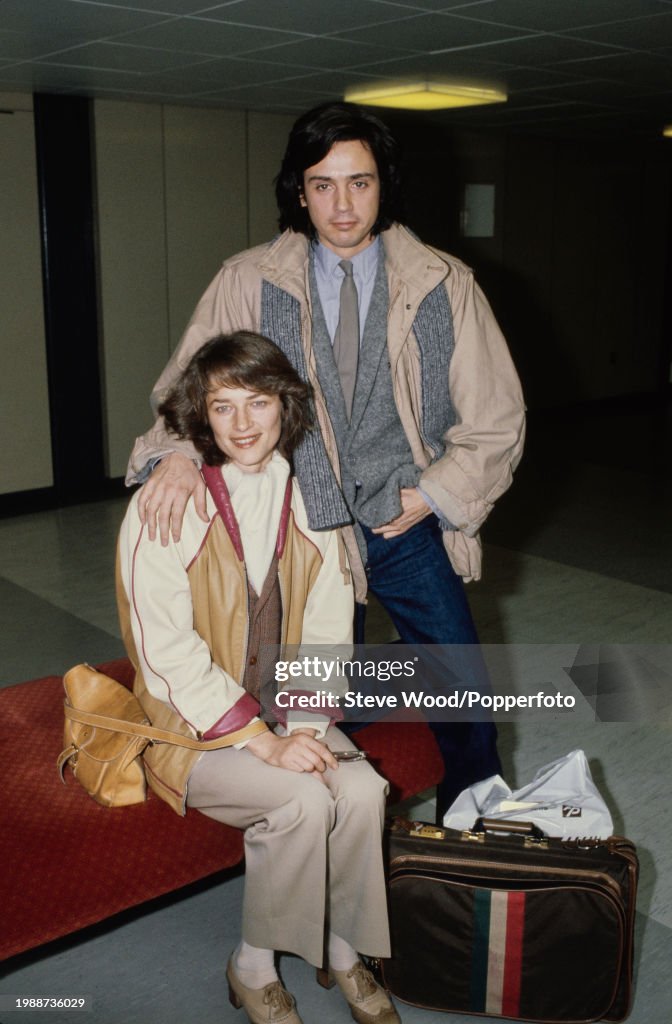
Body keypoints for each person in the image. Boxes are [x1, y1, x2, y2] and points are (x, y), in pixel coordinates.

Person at [127, 101, 526, 817]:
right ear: (299, 190)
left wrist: (433, 496)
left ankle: (475, 838)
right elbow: (187, 385)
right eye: (323, 184)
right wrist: (177, 455)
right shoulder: (248, 279)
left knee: (462, 691)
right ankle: (342, 826)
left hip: (406, 523)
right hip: (299, 528)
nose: (342, 204)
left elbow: (497, 416)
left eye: (360, 183)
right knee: (324, 693)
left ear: (385, 185)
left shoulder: (445, 283)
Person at [117, 331, 399, 1024]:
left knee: (361, 789)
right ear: (200, 416)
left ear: (286, 406)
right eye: (222, 407)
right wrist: (261, 740)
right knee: (300, 802)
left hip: (284, 711)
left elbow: (330, 631)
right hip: (190, 726)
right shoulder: (166, 503)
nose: (243, 424)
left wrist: (301, 729)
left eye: (259, 402)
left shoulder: (310, 500)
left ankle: (342, 946)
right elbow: (163, 650)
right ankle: (252, 966)